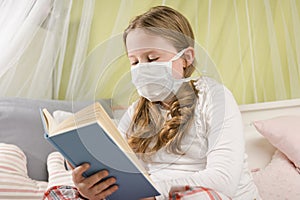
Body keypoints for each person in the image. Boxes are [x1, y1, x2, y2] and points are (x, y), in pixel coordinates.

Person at [44, 5, 260, 200]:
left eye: (153, 58)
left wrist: (153, 191)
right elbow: (122, 172)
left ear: (186, 58)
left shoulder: (214, 97)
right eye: (134, 61)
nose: (142, 68)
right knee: (61, 195)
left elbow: (224, 181)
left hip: (204, 194)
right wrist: (93, 189)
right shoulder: (135, 113)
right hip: (151, 195)